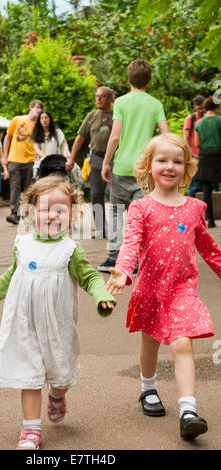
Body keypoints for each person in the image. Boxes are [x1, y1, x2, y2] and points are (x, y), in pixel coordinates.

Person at [0, 175, 116, 450]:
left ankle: (57, 395)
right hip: (25, 325)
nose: (53, 215)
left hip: (58, 325)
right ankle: (31, 431)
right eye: (45, 209)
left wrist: (102, 294)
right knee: (30, 374)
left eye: (61, 209)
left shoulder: (70, 250)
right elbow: (10, 276)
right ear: (31, 212)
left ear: (71, 214)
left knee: (61, 376)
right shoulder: (22, 245)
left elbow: (89, 278)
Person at [106, 133, 221, 440]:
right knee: (150, 343)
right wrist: (121, 273)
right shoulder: (141, 208)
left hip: (183, 289)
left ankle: (188, 410)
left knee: (183, 343)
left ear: (187, 168)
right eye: (162, 160)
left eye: (177, 161)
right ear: (148, 166)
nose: (170, 167)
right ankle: (148, 389)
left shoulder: (195, 207)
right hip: (150, 289)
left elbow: (208, 247)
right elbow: (130, 245)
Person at [99, 59, 169, 271]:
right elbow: (166, 134)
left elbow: (115, 137)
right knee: (139, 216)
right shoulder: (155, 104)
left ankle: (113, 257)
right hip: (144, 169)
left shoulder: (121, 102)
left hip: (121, 167)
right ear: (148, 80)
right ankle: (138, 260)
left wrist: (105, 163)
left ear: (129, 79)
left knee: (116, 213)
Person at [67, 87, 114, 239]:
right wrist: (72, 158)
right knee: (97, 194)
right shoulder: (92, 116)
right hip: (97, 158)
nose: (98, 99)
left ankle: (115, 228)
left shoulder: (118, 115)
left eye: (102, 96)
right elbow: (80, 137)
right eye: (96, 97)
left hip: (115, 159)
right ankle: (100, 229)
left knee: (116, 194)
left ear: (110, 98)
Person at [3, 100, 43, 225]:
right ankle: (14, 213)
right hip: (14, 158)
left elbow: (39, 142)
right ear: (30, 107)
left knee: (28, 189)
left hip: (30, 160)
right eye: (37, 107)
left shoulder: (39, 125)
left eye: (40, 108)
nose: (39, 110)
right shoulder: (17, 119)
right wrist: (5, 156)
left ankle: (25, 214)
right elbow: (7, 137)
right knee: (15, 186)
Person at [193, 95, 221, 228]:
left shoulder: (199, 123)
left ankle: (210, 220)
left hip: (204, 157)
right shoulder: (220, 120)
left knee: (206, 190)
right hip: (219, 155)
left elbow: (197, 143)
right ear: (216, 107)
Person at [32, 110, 70, 178]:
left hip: (57, 162)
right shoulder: (36, 133)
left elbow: (65, 145)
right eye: (42, 118)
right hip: (42, 162)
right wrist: (45, 157)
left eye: (46, 118)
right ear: (39, 120)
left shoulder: (57, 132)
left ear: (50, 119)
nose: (44, 120)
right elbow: (36, 148)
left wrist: (64, 156)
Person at [183, 95, 205, 197]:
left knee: (205, 183)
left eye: (203, 107)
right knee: (195, 184)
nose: (202, 110)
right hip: (194, 154)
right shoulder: (190, 119)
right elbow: (185, 138)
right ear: (194, 107)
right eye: (199, 108)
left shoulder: (207, 117)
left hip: (205, 155)